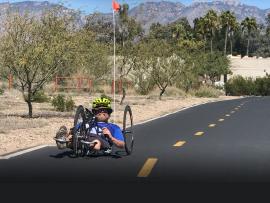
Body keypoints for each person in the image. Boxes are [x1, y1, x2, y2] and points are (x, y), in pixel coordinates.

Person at [55, 97, 125, 153]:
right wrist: (68, 135)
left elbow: (122, 144)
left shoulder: (114, 127)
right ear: (94, 112)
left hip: (100, 140)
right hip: (84, 136)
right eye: (99, 110)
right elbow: (73, 130)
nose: (102, 111)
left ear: (109, 114)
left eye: (105, 110)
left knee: (96, 143)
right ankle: (63, 140)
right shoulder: (87, 123)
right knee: (73, 134)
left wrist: (110, 137)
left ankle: (86, 145)